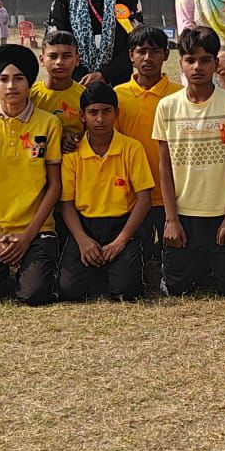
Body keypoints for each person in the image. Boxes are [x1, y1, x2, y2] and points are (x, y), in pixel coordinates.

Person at [0, 44, 63, 305]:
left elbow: (54, 185)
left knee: (35, 295)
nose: (11, 86)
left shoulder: (49, 123)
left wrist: (27, 236)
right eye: (3, 79)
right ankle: (7, 268)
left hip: (37, 229)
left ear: (29, 82)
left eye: (18, 78)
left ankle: (27, 269)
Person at [154, 27, 225, 297]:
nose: (197, 67)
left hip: (221, 214)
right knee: (177, 289)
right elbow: (164, 166)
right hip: (182, 215)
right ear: (181, 64)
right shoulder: (167, 107)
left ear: (216, 64)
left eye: (205, 60)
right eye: (190, 60)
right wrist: (171, 220)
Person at [58, 82, 153, 301]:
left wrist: (121, 240)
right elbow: (67, 203)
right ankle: (100, 268)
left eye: (106, 111)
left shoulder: (131, 148)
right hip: (85, 225)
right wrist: (82, 240)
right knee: (70, 290)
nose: (100, 119)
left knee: (126, 291)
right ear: (82, 116)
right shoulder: (73, 153)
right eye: (93, 112)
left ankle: (118, 266)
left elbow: (144, 199)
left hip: (122, 224)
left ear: (116, 113)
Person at [113, 25, 181, 291]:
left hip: (171, 194)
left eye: (155, 51)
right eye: (141, 51)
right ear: (131, 55)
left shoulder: (179, 95)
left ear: (166, 55)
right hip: (132, 193)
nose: (148, 58)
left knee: (173, 252)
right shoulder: (118, 96)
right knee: (135, 255)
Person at [31, 31, 85, 157]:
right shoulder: (31, 95)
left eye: (66, 56)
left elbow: (92, 132)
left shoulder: (85, 95)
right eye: (53, 56)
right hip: (39, 161)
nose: (59, 62)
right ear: (42, 60)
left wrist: (76, 138)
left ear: (77, 59)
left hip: (75, 161)